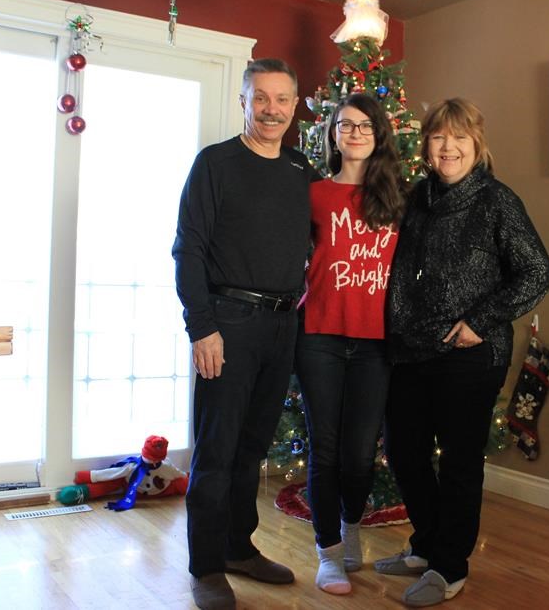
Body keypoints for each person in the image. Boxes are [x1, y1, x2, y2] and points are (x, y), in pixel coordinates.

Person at [375, 98, 549, 607]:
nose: (448, 147)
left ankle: (449, 567)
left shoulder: (498, 201)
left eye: (459, 138)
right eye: (438, 137)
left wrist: (480, 321)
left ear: (477, 144)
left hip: (470, 355)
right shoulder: (415, 200)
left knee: (458, 463)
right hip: (409, 350)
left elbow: (538, 271)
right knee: (405, 453)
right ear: (427, 146)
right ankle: (427, 545)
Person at [172, 58, 319, 610]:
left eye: (282, 99)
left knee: (252, 446)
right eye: (261, 98)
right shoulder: (215, 164)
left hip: (285, 323)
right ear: (244, 101)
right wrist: (202, 327)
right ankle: (207, 566)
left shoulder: (302, 170)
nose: (272, 109)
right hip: (228, 322)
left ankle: (238, 547)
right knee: (217, 448)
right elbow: (189, 249)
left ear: (295, 104)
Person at [295, 92, 407, 595]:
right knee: (326, 449)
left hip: (375, 342)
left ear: (378, 133)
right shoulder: (313, 193)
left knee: (361, 455)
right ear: (333, 134)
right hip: (318, 334)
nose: (356, 133)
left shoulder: (399, 197)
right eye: (345, 125)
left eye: (365, 125)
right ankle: (329, 553)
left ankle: (351, 528)